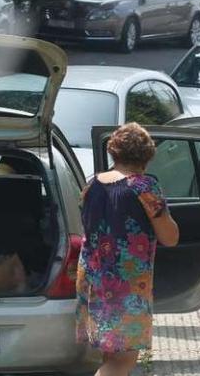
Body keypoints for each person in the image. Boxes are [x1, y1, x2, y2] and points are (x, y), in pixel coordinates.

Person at [75, 122, 180, 376]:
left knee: (111, 356)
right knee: (123, 362)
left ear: (113, 152)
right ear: (147, 155)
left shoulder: (92, 186)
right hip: (124, 286)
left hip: (92, 280)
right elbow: (170, 237)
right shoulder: (143, 187)